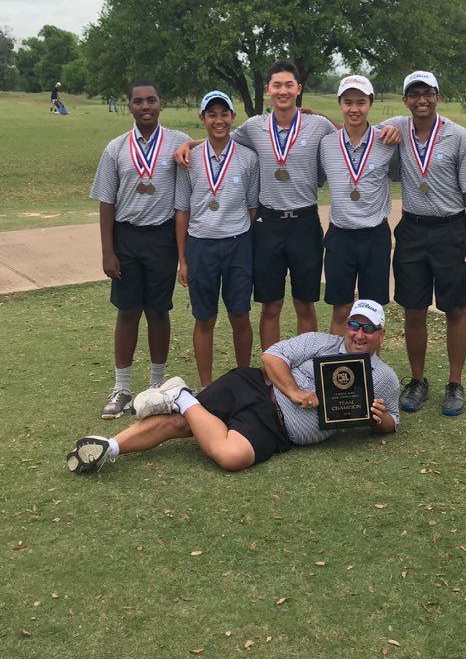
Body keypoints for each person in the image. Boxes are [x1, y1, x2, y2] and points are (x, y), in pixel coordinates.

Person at [65, 299, 400, 475]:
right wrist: (296, 392)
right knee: (182, 424)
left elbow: (392, 423)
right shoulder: (320, 342)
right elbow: (271, 357)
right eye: (354, 324)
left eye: (368, 329)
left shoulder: (384, 377)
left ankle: (180, 396)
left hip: (276, 428)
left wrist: (378, 419)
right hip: (254, 386)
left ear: (381, 334)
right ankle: (110, 447)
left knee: (229, 455)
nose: (358, 333)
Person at [174, 61, 335, 350]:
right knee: (271, 305)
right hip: (268, 225)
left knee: (304, 304)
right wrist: (190, 144)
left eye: (289, 85)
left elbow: (348, 137)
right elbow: (220, 138)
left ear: (299, 88)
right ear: (267, 89)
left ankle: (305, 369)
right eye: (277, 85)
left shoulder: (318, 125)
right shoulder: (254, 127)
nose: (283, 91)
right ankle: (271, 376)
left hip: (305, 223)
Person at [89, 80, 189, 419]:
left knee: (159, 310)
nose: (145, 106)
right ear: (129, 106)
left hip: (162, 238)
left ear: (160, 103)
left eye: (151, 100)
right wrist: (107, 251)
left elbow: (213, 143)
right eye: (137, 101)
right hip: (126, 237)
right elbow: (106, 201)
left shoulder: (177, 142)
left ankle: (156, 386)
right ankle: (121, 387)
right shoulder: (116, 148)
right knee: (128, 311)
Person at [385, 70, 466, 417]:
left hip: (450, 229)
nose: (421, 100)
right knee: (413, 308)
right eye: (414, 94)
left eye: (427, 93)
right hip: (411, 229)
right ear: (406, 99)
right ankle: (418, 380)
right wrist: (311, 115)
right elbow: (356, 123)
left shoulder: (458, 136)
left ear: (437, 96)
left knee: (455, 307)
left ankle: (454, 384)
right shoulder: (397, 127)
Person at [175, 90, 259, 387]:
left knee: (240, 315)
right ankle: (207, 387)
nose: (219, 120)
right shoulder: (189, 159)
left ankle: (244, 381)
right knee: (205, 318)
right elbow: (182, 211)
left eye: (224, 114)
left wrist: (234, 232)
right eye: (212, 114)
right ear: (202, 118)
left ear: (233, 118)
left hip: (237, 244)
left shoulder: (248, 158)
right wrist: (183, 259)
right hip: (200, 245)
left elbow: (252, 207)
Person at [320, 75, 399, 335]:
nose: (354, 109)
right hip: (340, 236)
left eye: (361, 102)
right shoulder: (326, 144)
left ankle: (371, 371)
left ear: (371, 104)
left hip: (374, 236)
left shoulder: (387, 141)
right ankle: (335, 370)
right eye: (348, 102)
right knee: (341, 310)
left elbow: (401, 172)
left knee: (372, 311)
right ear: (340, 104)